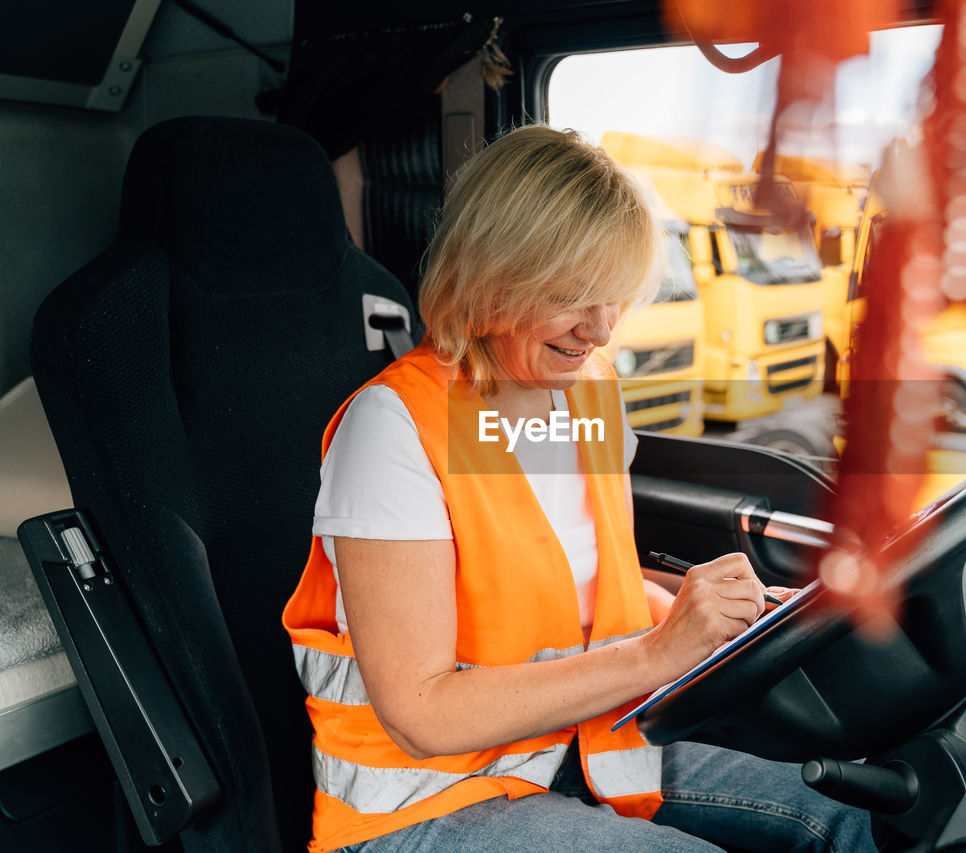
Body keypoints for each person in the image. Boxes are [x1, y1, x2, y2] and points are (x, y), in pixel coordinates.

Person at [283, 125, 875, 853]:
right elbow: (422, 714)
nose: (598, 329)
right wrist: (658, 654)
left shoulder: (585, 393)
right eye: (572, 296)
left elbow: (587, 588)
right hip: (425, 796)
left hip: (583, 739)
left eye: (617, 298)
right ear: (490, 273)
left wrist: (727, 613)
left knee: (847, 812)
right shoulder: (392, 428)